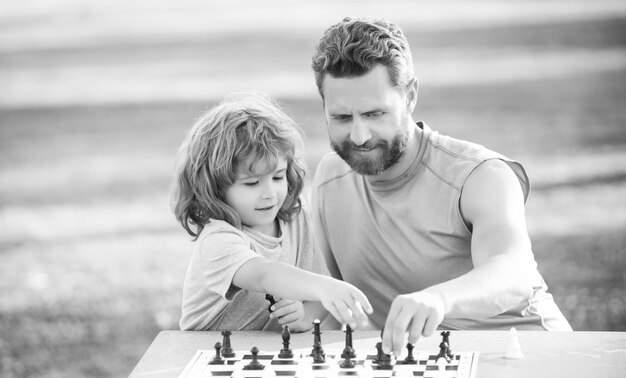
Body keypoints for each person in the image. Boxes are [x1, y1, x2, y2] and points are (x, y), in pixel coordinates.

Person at [310, 17, 572, 356]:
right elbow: (325, 302)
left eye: (375, 114)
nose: (359, 137)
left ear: (410, 96)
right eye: (342, 118)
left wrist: (439, 298)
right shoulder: (330, 177)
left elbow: (513, 272)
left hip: (530, 356)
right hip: (423, 373)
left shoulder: (480, 175)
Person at [171, 91, 372, 332]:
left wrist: (304, 316)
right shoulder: (218, 240)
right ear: (216, 187)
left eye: (278, 177)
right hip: (206, 358)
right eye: (252, 183)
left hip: (266, 359)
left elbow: (318, 297)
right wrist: (325, 287)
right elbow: (263, 275)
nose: (270, 193)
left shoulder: (295, 220)